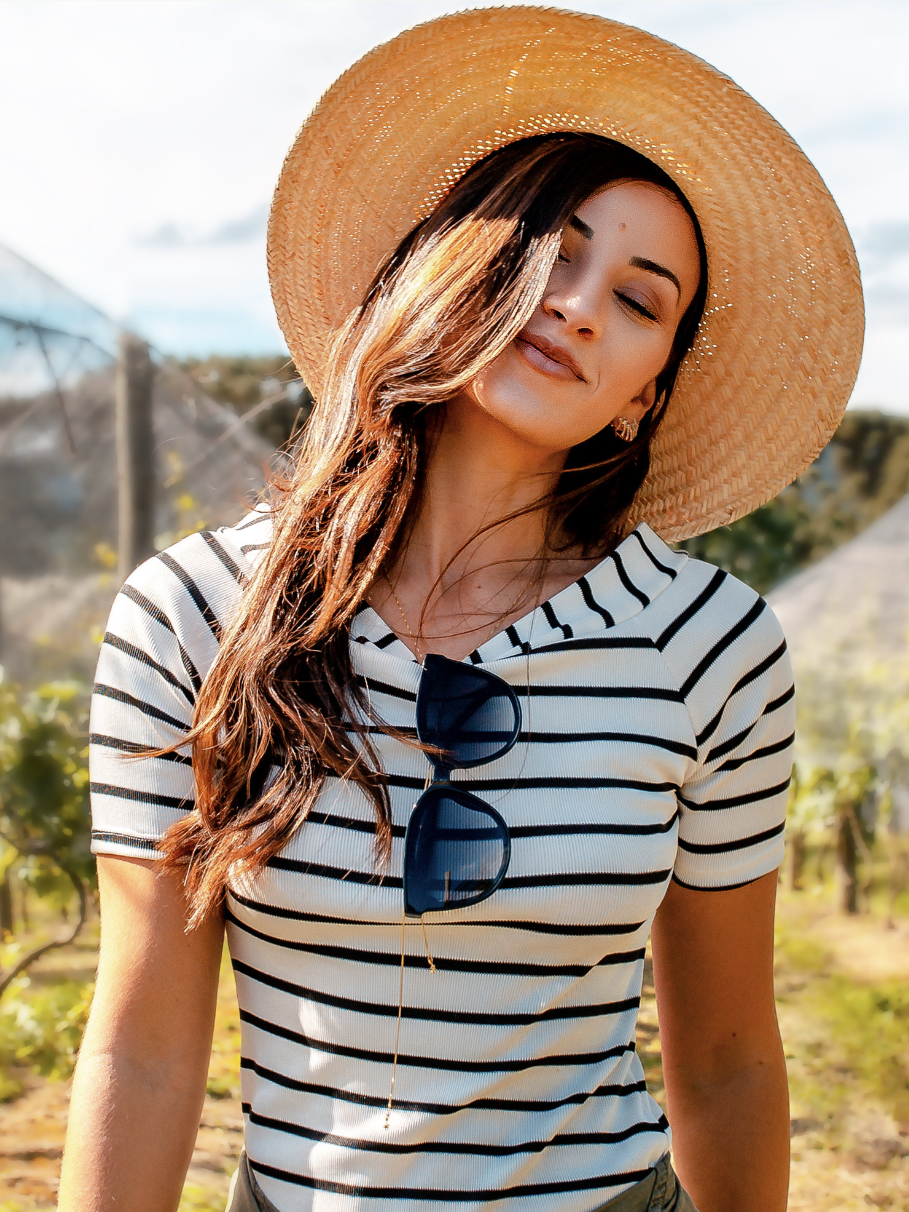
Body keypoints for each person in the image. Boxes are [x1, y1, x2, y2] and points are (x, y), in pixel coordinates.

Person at [58, 9, 863, 1212]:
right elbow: (144, 1050)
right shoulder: (192, 614)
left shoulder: (714, 649)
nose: (580, 305)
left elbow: (731, 1055)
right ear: (444, 261)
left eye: (640, 302)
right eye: (550, 246)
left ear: (645, 398)